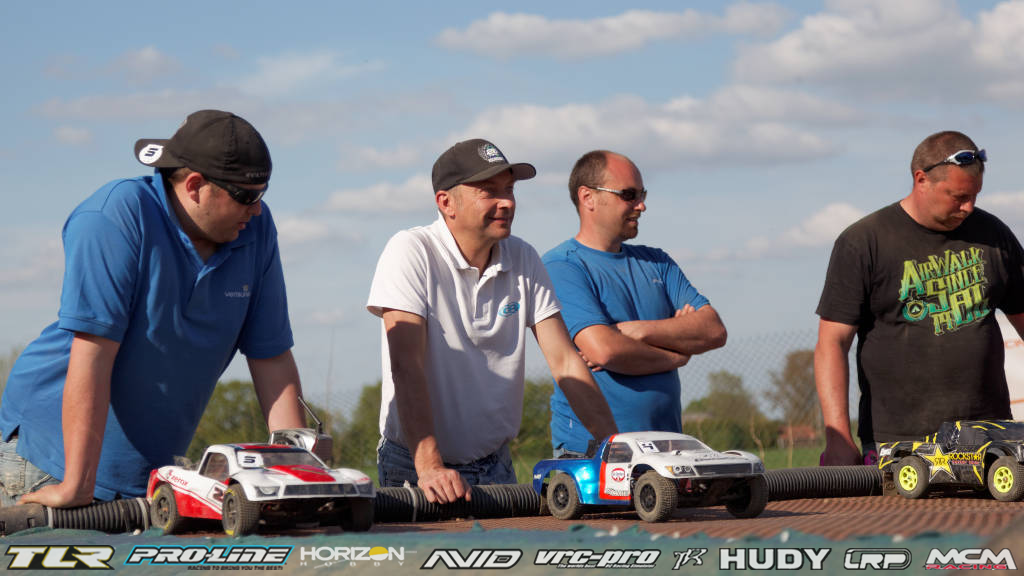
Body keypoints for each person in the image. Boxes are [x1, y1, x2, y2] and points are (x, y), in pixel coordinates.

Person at [0, 110, 306, 508]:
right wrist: (77, 485)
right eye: (246, 196)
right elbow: (92, 355)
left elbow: (272, 358)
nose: (257, 209)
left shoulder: (255, 230)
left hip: (149, 475)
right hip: (50, 462)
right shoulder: (114, 216)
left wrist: (299, 475)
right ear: (195, 186)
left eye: (263, 194)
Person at [366, 139, 617, 504]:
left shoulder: (524, 257)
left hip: (495, 466)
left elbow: (565, 361)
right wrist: (430, 467)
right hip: (417, 466)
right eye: (489, 191)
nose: (507, 202)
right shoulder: (410, 251)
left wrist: (615, 447)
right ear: (446, 203)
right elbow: (407, 365)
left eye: (509, 189)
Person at [816, 131, 1024, 465]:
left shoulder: (994, 235)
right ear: (921, 179)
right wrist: (837, 437)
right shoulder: (864, 242)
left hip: (990, 438)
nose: (968, 207)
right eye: (958, 197)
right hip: (898, 445)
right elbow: (832, 343)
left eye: (974, 196)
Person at [542, 150, 727, 457]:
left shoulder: (657, 262)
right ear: (588, 197)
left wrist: (636, 331)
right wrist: (677, 355)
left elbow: (714, 330)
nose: (641, 205)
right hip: (592, 453)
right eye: (628, 195)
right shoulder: (562, 266)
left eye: (642, 194)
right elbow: (605, 350)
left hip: (667, 450)